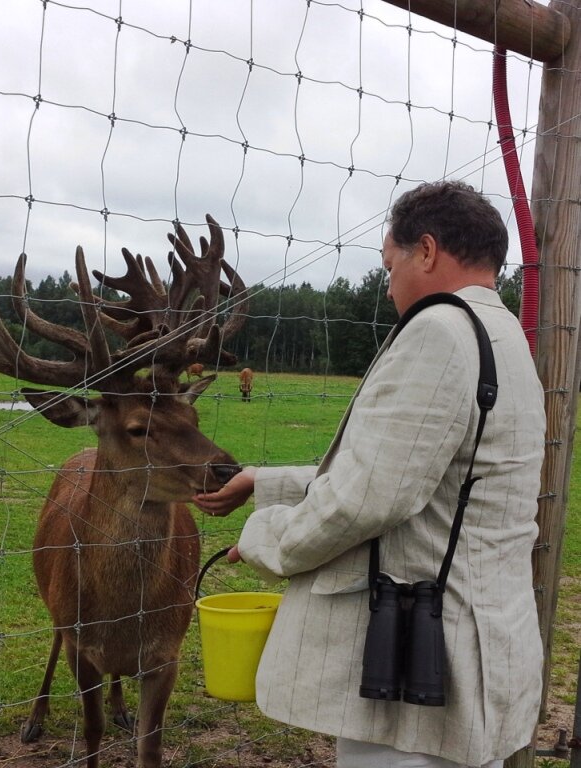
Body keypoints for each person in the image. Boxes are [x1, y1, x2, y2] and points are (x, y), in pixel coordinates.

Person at [194, 180, 545, 768]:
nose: (387, 288)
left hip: (416, 672)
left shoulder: (438, 332)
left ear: (427, 251)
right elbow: (429, 478)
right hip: (482, 647)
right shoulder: (503, 335)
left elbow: (366, 500)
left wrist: (264, 538)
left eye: (389, 266)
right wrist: (267, 480)